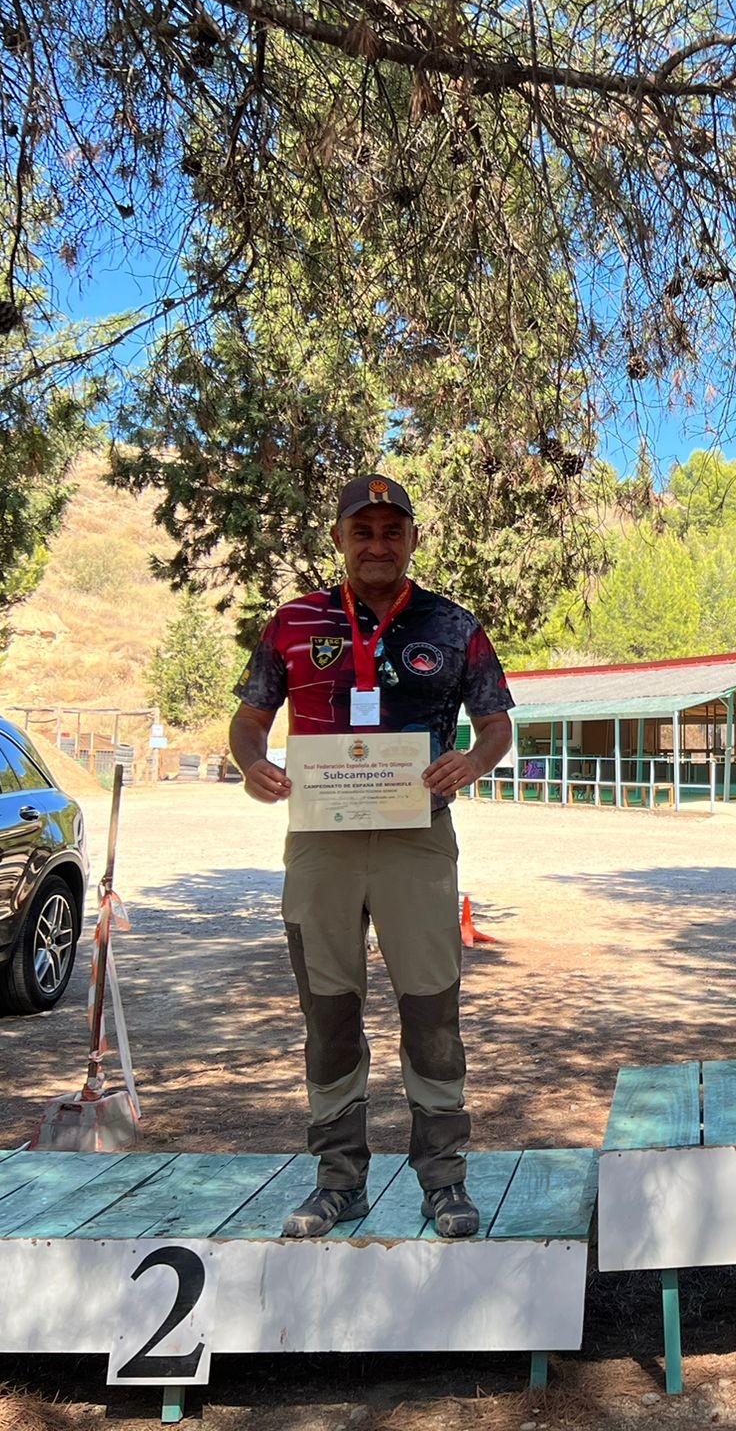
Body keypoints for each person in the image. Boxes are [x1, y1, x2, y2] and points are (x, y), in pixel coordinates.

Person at [230, 474, 515, 1238]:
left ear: (414, 539)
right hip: (320, 841)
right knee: (329, 1013)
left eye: (393, 531)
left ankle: (444, 1183)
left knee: (431, 1010)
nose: (378, 545)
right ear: (340, 540)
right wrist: (252, 763)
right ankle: (338, 1182)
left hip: (416, 840)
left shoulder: (454, 626)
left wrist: (472, 762)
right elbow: (249, 719)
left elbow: (495, 726)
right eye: (364, 531)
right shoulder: (293, 623)